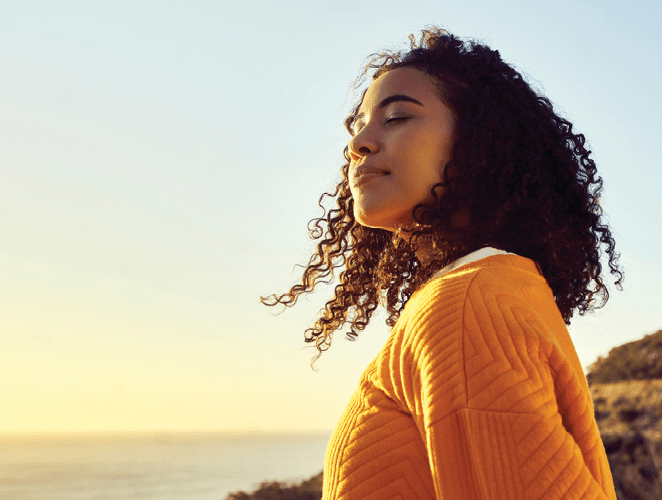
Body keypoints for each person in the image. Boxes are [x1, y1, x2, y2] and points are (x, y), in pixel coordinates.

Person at [263, 27, 622, 500]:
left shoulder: (464, 305)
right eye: (358, 126)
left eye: (396, 117)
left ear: (480, 144)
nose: (359, 144)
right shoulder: (492, 290)